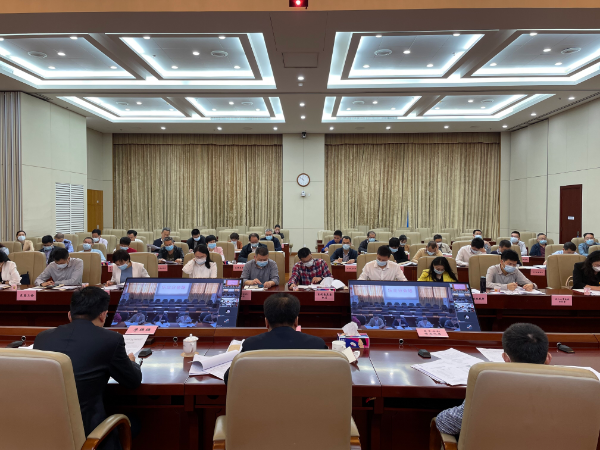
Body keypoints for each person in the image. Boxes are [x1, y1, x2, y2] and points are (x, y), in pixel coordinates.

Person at [33, 287, 142, 450]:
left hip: (44, 431)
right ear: (103, 315)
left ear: (69, 315)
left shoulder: (42, 338)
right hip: (88, 435)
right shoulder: (111, 340)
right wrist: (131, 362)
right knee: (136, 422)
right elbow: (133, 381)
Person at [436, 323, 552, 437]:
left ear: (506, 358)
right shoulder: (562, 386)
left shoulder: (490, 385)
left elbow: (445, 424)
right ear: (548, 357)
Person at [224, 293, 327, 384]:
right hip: (307, 399)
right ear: (296, 321)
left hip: (263, 399)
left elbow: (229, 378)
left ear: (266, 322)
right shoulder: (317, 345)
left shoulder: (251, 345)